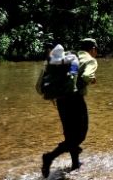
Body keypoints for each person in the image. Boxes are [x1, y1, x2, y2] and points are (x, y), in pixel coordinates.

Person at [41, 38, 98, 178]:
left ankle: (75, 164)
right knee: (80, 134)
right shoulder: (90, 60)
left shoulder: (69, 55)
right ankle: (50, 156)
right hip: (75, 99)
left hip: (60, 99)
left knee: (69, 133)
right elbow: (85, 77)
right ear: (93, 49)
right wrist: (92, 79)